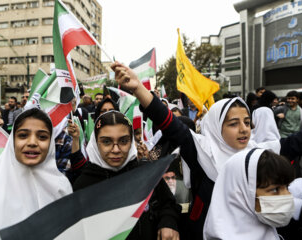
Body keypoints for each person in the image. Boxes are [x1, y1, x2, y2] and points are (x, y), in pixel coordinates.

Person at [111, 61, 281, 239]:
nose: (243, 129)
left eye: (247, 122)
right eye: (233, 124)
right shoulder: (204, 153)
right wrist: (138, 88)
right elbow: (171, 125)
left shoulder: (262, 156)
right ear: (217, 128)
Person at [0, 108, 73, 240]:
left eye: (42, 137)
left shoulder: (62, 188)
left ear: (51, 143)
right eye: (23, 135)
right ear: (12, 141)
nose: (32, 143)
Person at [72, 111, 181, 239]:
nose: (116, 150)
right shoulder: (83, 185)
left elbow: (168, 204)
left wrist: (168, 223)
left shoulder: (147, 173)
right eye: (107, 142)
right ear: (96, 143)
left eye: (123, 141)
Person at [203, 149, 294, 239]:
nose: (287, 195)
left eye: (287, 187)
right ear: (242, 193)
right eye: (275, 190)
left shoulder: (268, 229)